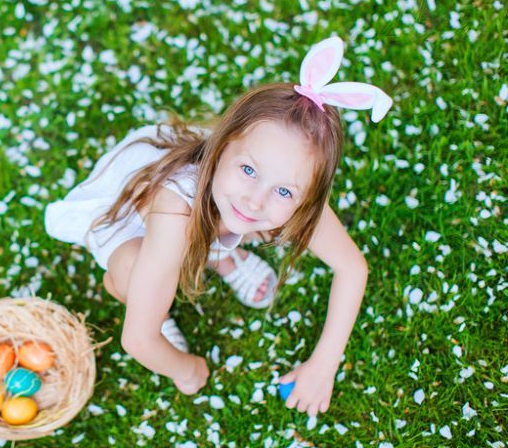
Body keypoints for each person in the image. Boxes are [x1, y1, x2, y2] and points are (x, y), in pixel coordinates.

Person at [44, 37, 392, 417]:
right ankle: (169, 293)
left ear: (309, 193)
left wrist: (323, 366)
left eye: (284, 190)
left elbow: (352, 268)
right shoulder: (174, 206)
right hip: (132, 214)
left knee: (259, 219)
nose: (255, 200)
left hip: (208, 208)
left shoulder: (288, 181)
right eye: (248, 170)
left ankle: (223, 257)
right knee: (130, 275)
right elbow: (138, 340)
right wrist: (188, 368)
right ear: (222, 146)